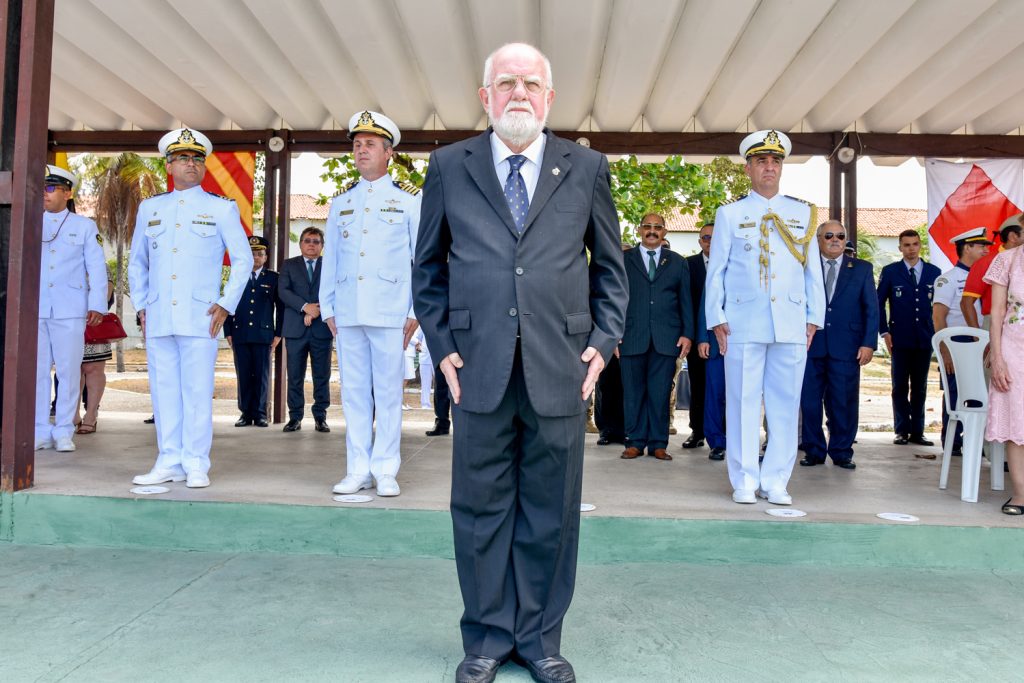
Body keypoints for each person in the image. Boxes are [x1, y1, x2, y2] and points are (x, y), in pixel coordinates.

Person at [413, 43, 627, 683]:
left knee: (550, 510)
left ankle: (538, 640)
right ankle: (485, 639)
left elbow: (611, 272)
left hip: (560, 365)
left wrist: (604, 341)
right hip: (473, 365)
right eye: (505, 83)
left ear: (549, 97)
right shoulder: (450, 166)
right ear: (485, 97)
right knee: (479, 509)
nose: (519, 94)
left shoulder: (585, 167)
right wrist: (442, 345)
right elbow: (427, 269)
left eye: (531, 84)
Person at [704, 129, 825, 506]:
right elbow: (717, 271)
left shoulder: (802, 213)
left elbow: (812, 272)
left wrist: (813, 317)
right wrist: (716, 316)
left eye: (775, 161)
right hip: (743, 320)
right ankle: (743, 478)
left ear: (782, 167)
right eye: (761, 161)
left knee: (785, 403)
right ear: (749, 168)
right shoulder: (730, 214)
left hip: (790, 320)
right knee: (742, 400)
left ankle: (776, 480)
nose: (769, 167)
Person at [128, 128, 253, 488]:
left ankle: (196, 462)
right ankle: (168, 460)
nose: (191, 164)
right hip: (159, 314)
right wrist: (141, 305)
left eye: (197, 158)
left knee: (197, 391)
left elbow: (242, 261)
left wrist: (226, 304)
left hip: (202, 316)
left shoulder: (221, 207)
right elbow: (138, 262)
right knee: (163, 389)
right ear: (169, 164)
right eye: (183, 158)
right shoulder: (150, 208)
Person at [321, 110, 421, 498]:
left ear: (388, 153)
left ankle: (386, 469)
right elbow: (332, 260)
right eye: (357, 145)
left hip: (391, 311)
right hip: (347, 311)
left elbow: (421, 259)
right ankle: (357, 468)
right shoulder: (341, 202)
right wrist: (327, 306)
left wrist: (415, 311)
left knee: (389, 392)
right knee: (354, 393)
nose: (362, 151)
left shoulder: (409, 201)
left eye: (370, 145)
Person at [35, 165, 107, 452]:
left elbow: (97, 268)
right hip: (37, 306)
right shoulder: (29, 221)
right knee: (38, 371)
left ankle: (64, 429)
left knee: (68, 371)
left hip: (71, 309)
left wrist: (97, 304)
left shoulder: (84, 226)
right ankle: (40, 428)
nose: (45, 193)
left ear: (67, 192)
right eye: (42, 187)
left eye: (51, 188)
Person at [799, 221, 878, 469]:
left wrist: (868, 343)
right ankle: (813, 450)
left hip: (847, 346)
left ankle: (842, 450)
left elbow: (871, 309)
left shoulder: (862, 268)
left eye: (841, 236)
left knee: (843, 401)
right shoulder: (805, 267)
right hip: (810, 344)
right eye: (829, 235)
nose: (835, 239)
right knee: (809, 401)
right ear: (819, 239)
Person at [618, 213, 693, 461]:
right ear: (639, 230)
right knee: (633, 393)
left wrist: (687, 334)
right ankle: (634, 442)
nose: (652, 231)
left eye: (657, 227)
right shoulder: (623, 259)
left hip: (666, 338)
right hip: (630, 336)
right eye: (647, 227)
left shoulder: (677, 262)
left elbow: (686, 301)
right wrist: (612, 332)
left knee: (660, 393)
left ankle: (659, 443)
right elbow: (613, 298)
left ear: (665, 232)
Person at [877, 229, 941, 446]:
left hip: (924, 337)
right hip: (899, 339)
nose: (911, 249)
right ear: (900, 248)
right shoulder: (891, 271)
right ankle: (901, 430)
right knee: (900, 386)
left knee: (920, 386)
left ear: (920, 245)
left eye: (914, 244)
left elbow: (940, 306)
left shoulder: (934, 272)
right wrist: (884, 332)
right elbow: (879, 303)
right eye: (906, 245)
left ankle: (917, 431)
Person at [933, 228, 992, 456]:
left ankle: (978, 443)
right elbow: (938, 317)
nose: (987, 250)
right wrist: (945, 352)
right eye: (981, 246)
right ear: (967, 248)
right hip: (958, 345)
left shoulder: (987, 276)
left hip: (982, 343)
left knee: (980, 395)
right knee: (956, 396)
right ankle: (952, 442)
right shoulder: (948, 279)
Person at [278, 227, 333, 433]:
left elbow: (334, 290)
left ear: (322, 245)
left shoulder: (329, 265)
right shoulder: (289, 265)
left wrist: (315, 310)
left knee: (321, 375)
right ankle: (295, 417)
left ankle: (321, 417)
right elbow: (283, 291)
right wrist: (304, 307)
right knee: (294, 375)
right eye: (308, 240)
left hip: (321, 329)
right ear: (301, 244)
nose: (311, 244)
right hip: (295, 329)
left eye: (316, 241)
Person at [983, 245, 1024, 515]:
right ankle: (1020, 494)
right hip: (1014, 349)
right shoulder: (1007, 260)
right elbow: (996, 313)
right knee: (1016, 418)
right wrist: (997, 357)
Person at [225, 235, 280, 428]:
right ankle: (245, 414)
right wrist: (227, 331)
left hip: (263, 335)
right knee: (244, 375)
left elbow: (280, 308)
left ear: (265, 257)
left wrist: (278, 334)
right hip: (239, 333)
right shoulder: (236, 277)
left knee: (262, 375)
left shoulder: (273, 278)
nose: (256, 257)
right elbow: (227, 304)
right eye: (252, 254)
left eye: (259, 254)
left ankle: (261, 414)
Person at [682, 222, 713, 449]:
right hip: (696, 335)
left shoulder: (732, 263)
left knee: (723, 388)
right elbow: (684, 302)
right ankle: (697, 431)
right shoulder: (689, 265)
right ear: (699, 241)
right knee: (699, 385)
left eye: (714, 237)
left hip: (726, 336)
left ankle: (720, 432)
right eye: (705, 237)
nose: (709, 241)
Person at [961, 217, 1023, 329]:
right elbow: (966, 303)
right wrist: (978, 337)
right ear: (1013, 236)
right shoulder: (987, 261)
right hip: (996, 324)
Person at [76, 277, 115, 434]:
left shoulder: (98, 262)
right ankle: (72, 415)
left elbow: (107, 290)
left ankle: (91, 415)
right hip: (66, 320)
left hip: (94, 321)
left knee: (93, 369)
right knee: (71, 370)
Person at [695, 290, 726, 460]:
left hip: (747, 343)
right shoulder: (718, 266)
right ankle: (717, 443)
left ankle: (744, 444)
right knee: (715, 395)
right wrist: (702, 338)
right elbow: (706, 305)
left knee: (745, 398)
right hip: (715, 343)